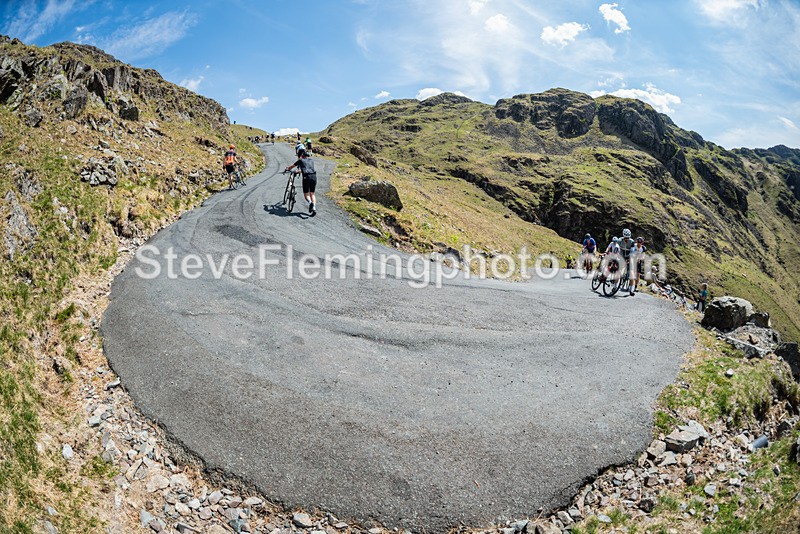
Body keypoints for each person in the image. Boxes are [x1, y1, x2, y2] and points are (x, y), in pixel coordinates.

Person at [285, 149, 317, 216]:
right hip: (314, 176)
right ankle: (314, 208)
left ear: (301, 155)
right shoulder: (311, 160)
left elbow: (291, 167)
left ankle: (310, 202)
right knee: (312, 193)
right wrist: (299, 171)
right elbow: (308, 169)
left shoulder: (300, 160)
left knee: (306, 194)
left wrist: (287, 169)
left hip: (306, 177)